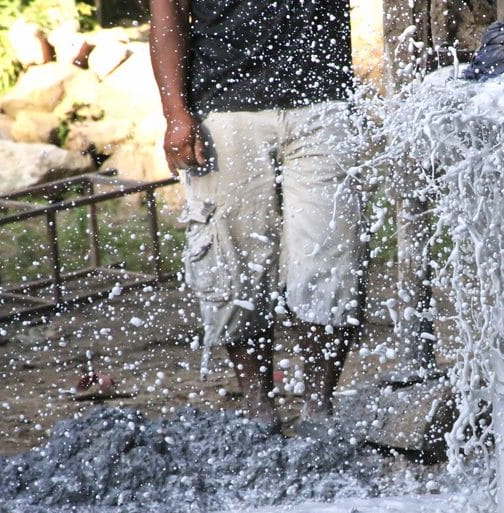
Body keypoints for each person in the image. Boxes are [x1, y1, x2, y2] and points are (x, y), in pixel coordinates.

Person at [148, 0, 362, 430]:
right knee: (234, 270)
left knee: (331, 259)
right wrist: (175, 114)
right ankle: (258, 409)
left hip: (324, 103)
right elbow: (167, 13)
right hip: (225, 109)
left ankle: (319, 411)